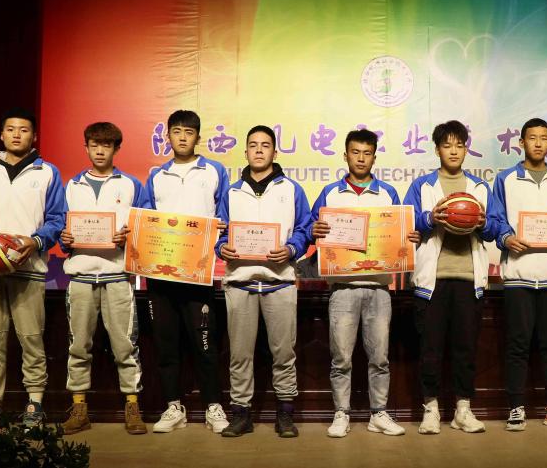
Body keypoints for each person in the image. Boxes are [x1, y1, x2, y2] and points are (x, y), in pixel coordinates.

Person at [0, 107, 66, 428]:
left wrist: (36, 241)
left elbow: (57, 218)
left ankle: (35, 403)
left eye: (24, 129)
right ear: (1, 134)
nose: (17, 134)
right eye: (11, 129)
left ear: (34, 136)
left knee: (31, 339)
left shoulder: (47, 172)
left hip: (29, 270)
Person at [310, 129, 408, 438]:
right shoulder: (330, 194)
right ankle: (341, 412)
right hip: (342, 288)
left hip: (379, 288)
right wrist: (315, 230)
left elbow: (399, 236)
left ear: (374, 157)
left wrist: (408, 238)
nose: (361, 158)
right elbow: (311, 228)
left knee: (380, 357)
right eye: (355, 152)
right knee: (341, 358)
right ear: (345, 155)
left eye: (367, 153)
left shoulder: (388, 193)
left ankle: (378, 413)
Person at [216, 125, 310, 438]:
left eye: (265, 145)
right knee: (240, 355)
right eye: (253, 145)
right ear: (245, 151)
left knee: (284, 353)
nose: (259, 150)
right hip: (240, 283)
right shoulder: (231, 192)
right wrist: (221, 247)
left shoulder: (291, 189)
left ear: (274, 151)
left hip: (279, 282)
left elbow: (304, 228)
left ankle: (285, 414)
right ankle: (241, 414)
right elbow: (219, 232)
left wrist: (292, 249)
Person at [403, 120, 493, 434]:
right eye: (447, 145)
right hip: (432, 282)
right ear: (437, 149)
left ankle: (462, 410)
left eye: (459, 145)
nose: (453, 151)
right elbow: (407, 221)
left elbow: (495, 226)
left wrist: (482, 222)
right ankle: (430, 409)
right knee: (430, 349)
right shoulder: (423, 185)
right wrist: (431, 218)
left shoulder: (479, 187)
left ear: (466, 149)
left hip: (469, 279)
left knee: (465, 349)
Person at [59, 122, 149, 435]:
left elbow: (145, 227)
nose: (100, 151)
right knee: (78, 345)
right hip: (81, 275)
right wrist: (65, 238)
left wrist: (130, 236)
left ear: (116, 149)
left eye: (106, 145)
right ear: (85, 147)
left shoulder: (131, 185)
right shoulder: (71, 186)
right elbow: (60, 227)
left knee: (125, 345)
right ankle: (79, 408)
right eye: (94, 145)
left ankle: (132, 406)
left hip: (117, 275)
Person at [143, 110, 229, 434]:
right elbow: (146, 220)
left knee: (205, 344)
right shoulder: (156, 176)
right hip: (162, 274)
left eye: (188, 132)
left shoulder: (214, 171)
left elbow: (225, 215)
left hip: (198, 274)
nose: (182, 137)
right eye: (176, 131)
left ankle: (213, 406)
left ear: (197, 137)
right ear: (167, 136)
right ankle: (172, 406)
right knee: (166, 344)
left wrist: (221, 232)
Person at [487, 118, 547, 431]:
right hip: (518, 274)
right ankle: (516, 407)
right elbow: (495, 219)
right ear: (521, 142)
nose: (538, 143)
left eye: (544, 138)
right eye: (532, 138)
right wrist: (506, 237)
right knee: (517, 344)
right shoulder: (506, 179)